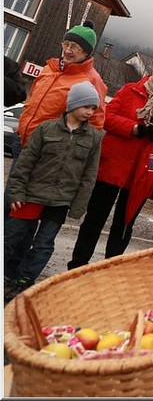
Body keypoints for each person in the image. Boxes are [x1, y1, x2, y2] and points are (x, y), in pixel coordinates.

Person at [68, 55, 153, 267]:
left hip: (142, 173)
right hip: (112, 165)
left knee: (123, 225)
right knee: (95, 219)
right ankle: (77, 265)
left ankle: (112, 269)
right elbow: (106, 117)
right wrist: (133, 128)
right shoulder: (131, 90)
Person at [4, 82, 103, 301]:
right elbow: (25, 163)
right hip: (31, 195)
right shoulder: (46, 129)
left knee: (43, 244)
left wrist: (78, 206)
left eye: (93, 108)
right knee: (10, 236)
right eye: (86, 106)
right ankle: (6, 276)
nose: (89, 112)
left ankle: (24, 282)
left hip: (60, 201)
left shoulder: (94, 138)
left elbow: (89, 175)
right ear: (72, 104)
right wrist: (17, 192)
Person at [16, 21, 108, 155]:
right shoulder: (48, 69)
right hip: (22, 142)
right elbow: (31, 101)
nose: (68, 50)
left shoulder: (93, 80)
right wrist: (21, 126)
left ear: (86, 52)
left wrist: (72, 151)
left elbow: (95, 122)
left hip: (50, 152)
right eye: (66, 44)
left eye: (74, 47)